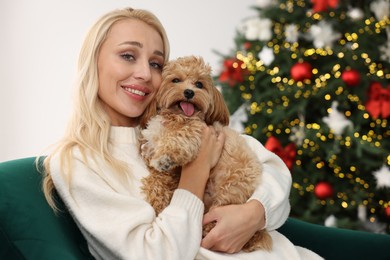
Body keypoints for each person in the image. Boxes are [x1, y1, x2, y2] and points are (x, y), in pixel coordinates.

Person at [42, 7, 322, 260]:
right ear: (93, 62)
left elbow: (272, 168)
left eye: (155, 64)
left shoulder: (179, 122)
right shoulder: (77, 161)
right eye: (128, 56)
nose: (143, 73)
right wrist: (197, 169)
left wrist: (255, 213)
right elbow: (156, 254)